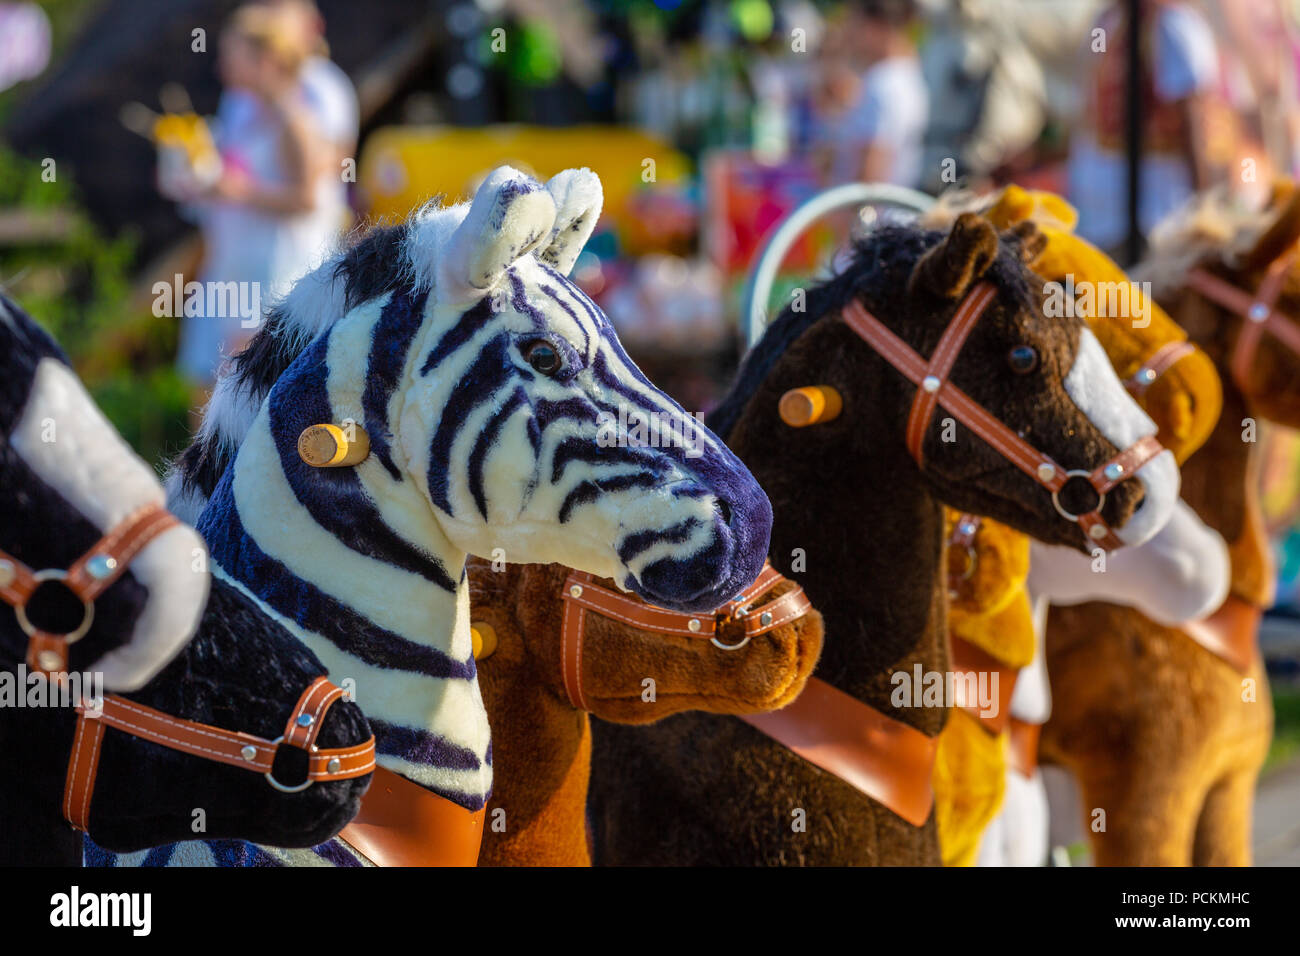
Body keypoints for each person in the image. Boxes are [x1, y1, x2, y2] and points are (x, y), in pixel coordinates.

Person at [176, 3, 346, 386]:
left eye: (232, 55)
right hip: (238, 264)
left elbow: (307, 199)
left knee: (247, 383)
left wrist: (240, 192)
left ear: (265, 59)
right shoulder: (244, 108)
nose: (221, 67)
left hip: (276, 270)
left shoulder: (295, 116)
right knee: (212, 382)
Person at [1068, 0, 1223, 254]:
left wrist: (1204, 208)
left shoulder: (1173, 24)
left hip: (1155, 218)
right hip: (1100, 222)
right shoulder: (1105, 21)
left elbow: (1191, 119)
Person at [816, 0, 929, 188]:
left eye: (856, 24)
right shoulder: (903, 76)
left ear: (876, 27)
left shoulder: (884, 84)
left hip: (872, 215)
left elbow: (870, 180)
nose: (850, 33)